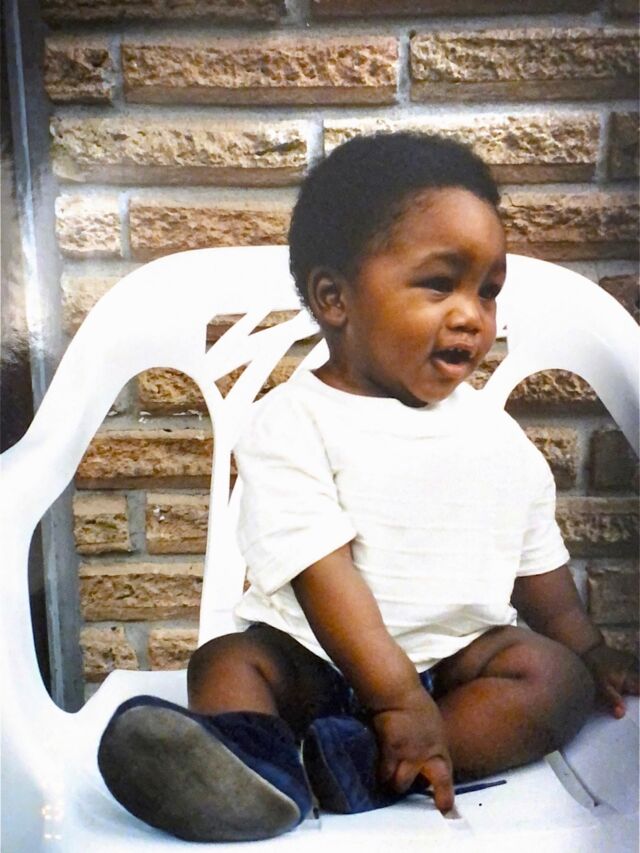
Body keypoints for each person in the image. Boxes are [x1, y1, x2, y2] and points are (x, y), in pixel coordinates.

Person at [97, 132, 639, 843]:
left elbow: (541, 571)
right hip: (313, 663)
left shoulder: (497, 438)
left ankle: (364, 765)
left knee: (553, 677)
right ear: (335, 298)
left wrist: (589, 649)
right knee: (227, 662)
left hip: (452, 666)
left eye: (488, 291)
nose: (472, 315)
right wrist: (393, 697)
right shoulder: (293, 423)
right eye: (440, 283)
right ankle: (254, 762)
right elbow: (324, 575)